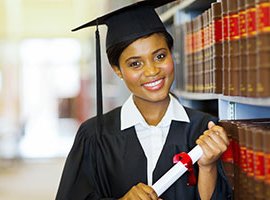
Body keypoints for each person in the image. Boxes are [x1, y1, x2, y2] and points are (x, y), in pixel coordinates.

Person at [56, 0, 233, 199]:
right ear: (117, 70)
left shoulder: (203, 129)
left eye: (159, 56)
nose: (152, 71)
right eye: (135, 64)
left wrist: (208, 166)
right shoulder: (94, 135)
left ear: (171, 54)